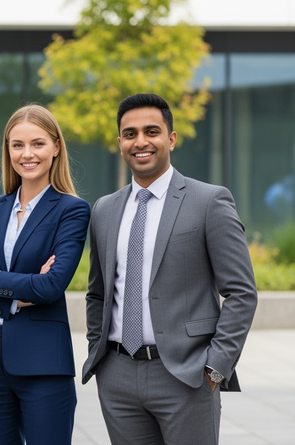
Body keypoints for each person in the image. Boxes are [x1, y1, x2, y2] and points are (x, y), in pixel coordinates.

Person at [82, 93, 258, 444]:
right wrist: (98, 357)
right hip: (117, 375)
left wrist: (215, 367)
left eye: (152, 131)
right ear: (120, 143)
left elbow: (241, 293)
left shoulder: (209, 201)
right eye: (130, 134)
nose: (141, 142)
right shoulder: (104, 209)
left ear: (171, 138)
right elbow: (98, 292)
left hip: (186, 375)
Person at [0, 104, 90, 444]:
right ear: (8, 150)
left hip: (43, 361)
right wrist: (15, 300)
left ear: (56, 147)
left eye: (38, 143)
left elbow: (51, 286)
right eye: (18, 145)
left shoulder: (72, 210)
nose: (27, 154)